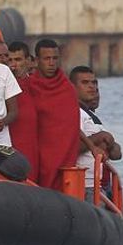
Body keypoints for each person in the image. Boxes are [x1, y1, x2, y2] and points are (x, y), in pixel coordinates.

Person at [26, 38, 80, 190]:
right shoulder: (29, 86)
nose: (51, 63)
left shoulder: (67, 89)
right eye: (47, 59)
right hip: (37, 154)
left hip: (64, 156)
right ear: (37, 60)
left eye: (55, 58)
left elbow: (72, 127)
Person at [70, 65, 122, 201]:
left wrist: (110, 143)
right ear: (72, 87)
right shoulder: (74, 112)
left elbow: (116, 154)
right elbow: (71, 147)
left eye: (94, 83)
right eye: (85, 83)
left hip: (101, 185)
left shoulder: (91, 116)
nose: (92, 87)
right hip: (86, 185)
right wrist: (99, 138)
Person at [6, 40, 40, 181]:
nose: (13, 65)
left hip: (33, 148)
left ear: (28, 61)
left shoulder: (37, 86)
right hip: (10, 146)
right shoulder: (1, 87)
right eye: (10, 60)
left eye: (18, 60)